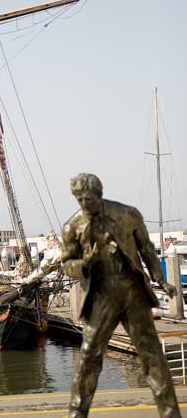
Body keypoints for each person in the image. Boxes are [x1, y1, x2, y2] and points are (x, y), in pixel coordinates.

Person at [62, 172, 181, 418]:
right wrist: (85, 262)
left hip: (133, 292)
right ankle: (77, 414)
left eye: (89, 199)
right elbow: (67, 264)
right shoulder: (72, 227)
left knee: (152, 356)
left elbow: (147, 249)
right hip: (101, 296)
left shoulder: (128, 214)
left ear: (99, 194)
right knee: (88, 356)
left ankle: (171, 414)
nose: (84, 205)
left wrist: (161, 279)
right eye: (79, 200)